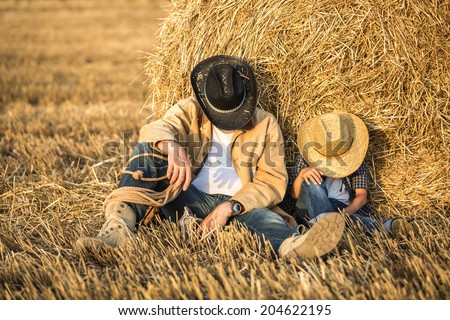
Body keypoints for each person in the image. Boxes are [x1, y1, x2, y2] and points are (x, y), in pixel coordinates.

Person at [75, 55, 345, 260]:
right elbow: (153, 129)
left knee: (266, 220)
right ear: (206, 103)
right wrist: (171, 146)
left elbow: (272, 181)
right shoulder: (190, 109)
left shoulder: (265, 124)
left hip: (239, 205)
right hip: (184, 194)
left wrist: (231, 207)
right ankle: (118, 229)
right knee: (147, 152)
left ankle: (293, 246)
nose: (229, 123)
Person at [282, 112, 414, 238]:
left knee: (349, 220)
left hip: (342, 208)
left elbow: (361, 196)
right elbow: (293, 195)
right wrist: (301, 175)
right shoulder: (306, 156)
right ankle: (383, 227)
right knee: (311, 180)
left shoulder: (354, 159)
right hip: (309, 209)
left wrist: (343, 214)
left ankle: (386, 227)